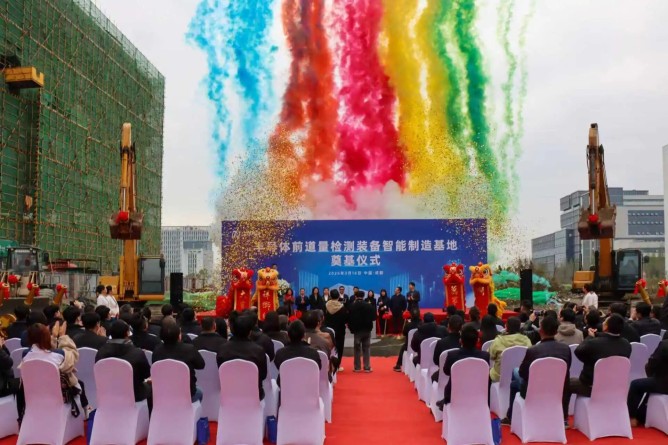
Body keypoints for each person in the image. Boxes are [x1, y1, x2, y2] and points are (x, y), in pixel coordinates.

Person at [502, 316, 571, 425]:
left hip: (534, 391)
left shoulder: (533, 351)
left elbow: (523, 373)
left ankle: (510, 417)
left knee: (515, 375)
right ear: (556, 331)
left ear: (541, 330)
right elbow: (566, 370)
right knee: (515, 381)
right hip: (557, 390)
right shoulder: (566, 349)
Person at [566, 314, 632, 404]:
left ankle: (564, 411)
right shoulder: (626, 344)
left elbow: (578, 351)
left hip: (591, 386)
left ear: (606, 327)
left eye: (604, 322)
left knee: (567, 383)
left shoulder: (594, 343)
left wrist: (589, 337)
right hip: (615, 385)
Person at [95, 320, 151, 404]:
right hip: (134, 394)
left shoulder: (101, 352)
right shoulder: (137, 353)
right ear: (127, 333)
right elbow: (146, 374)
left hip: (109, 393)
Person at [437, 324, 490, 409]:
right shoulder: (485, 356)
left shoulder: (452, 355)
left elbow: (446, 371)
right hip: (478, 392)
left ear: (460, 340)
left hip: (454, 393)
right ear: (477, 340)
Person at [217, 312, 267, 400]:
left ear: (232, 329)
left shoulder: (222, 349)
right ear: (250, 332)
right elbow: (263, 375)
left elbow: (221, 371)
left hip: (229, 394)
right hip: (254, 394)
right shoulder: (258, 351)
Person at [152, 320, 205, 402]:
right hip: (187, 392)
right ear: (179, 336)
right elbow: (201, 365)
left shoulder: (157, 350)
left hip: (164, 392)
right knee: (199, 393)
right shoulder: (189, 349)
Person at [628, 338, 668, 426]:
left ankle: (631, 417)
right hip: (663, 381)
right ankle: (641, 415)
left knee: (635, 385)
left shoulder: (665, 344)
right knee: (651, 385)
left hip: (664, 383)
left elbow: (652, 363)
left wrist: (651, 375)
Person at [274, 320, 322, 385]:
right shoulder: (313, 353)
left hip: (287, 388)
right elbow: (318, 368)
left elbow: (278, 366)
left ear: (288, 335)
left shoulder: (280, 353)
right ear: (304, 335)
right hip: (308, 388)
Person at [488, 317, 531, 382]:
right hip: (519, 376)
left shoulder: (498, 341)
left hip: (500, 377)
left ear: (506, 327)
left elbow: (490, 356)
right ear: (519, 327)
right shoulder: (527, 340)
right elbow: (530, 356)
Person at [348, 291, 376, 373]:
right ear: (363, 296)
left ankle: (357, 367)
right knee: (366, 348)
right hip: (367, 329)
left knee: (357, 349)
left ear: (355, 296)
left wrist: (351, 329)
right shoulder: (369, 305)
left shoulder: (352, 306)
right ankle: (367, 367)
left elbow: (349, 319)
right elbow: (374, 317)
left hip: (357, 330)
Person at [431, 315, 464, 381]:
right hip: (462, 375)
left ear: (448, 326)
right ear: (461, 327)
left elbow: (436, 361)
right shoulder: (466, 342)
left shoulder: (441, 343)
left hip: (444, 375)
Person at [324, 289, 348, 370]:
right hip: (340, 331)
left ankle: (328, 365)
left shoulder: (326, 305)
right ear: (338, 296)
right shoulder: (342, 307)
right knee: (339, 348)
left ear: (330, 296)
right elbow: (345, 319)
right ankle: (337, 366)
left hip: (328, 330)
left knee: (329, 348)